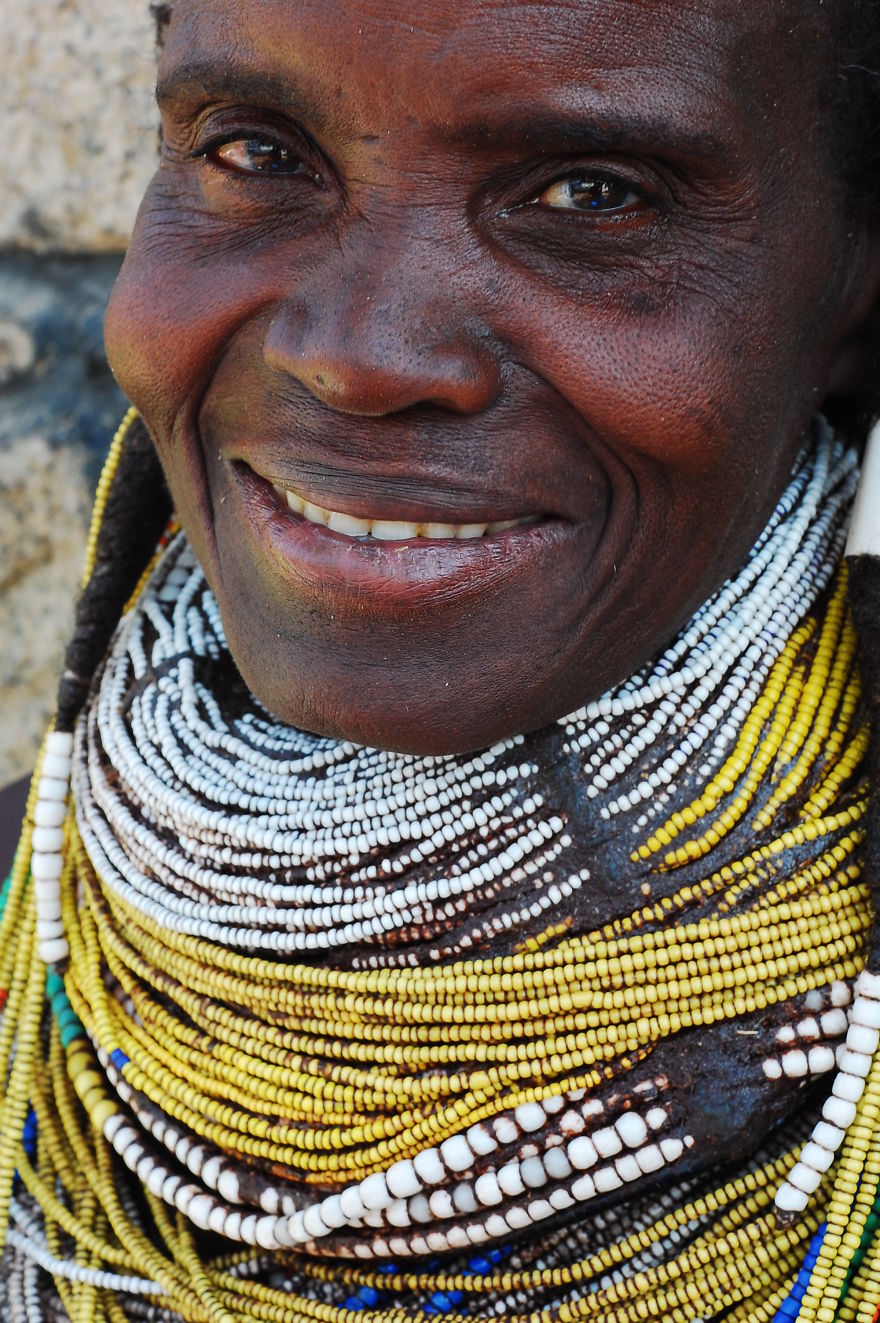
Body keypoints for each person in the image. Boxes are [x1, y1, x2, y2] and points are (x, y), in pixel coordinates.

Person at [1, 0, 879, 1319]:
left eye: (592, 193)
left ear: (858, 286)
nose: (356, 355)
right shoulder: (31, 926)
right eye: (256, 152)